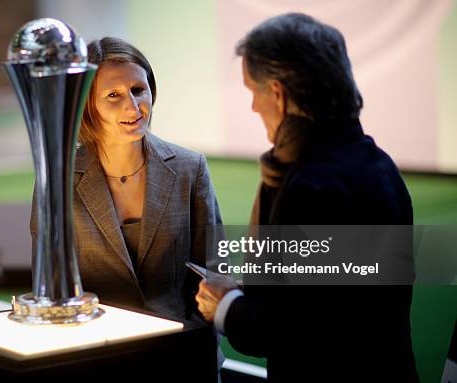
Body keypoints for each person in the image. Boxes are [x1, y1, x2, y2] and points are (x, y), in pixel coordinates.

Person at [195, 13, 419, 382]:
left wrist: (226, 305)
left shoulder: (314, 187)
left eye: (253, 91)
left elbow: (300, 331)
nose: (252, 107)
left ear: (278, 95)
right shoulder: (379, 165)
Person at [31, 37, 222, 321]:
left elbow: (214, 272)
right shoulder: (58, 179)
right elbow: (47, 282)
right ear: (87, 105)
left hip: (179, 350)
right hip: (97, 351)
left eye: (138, 90)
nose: (133, 108)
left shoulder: (190, 168)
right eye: (113, 95)